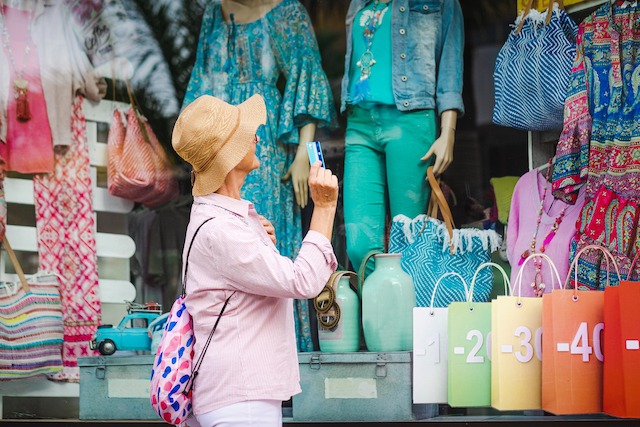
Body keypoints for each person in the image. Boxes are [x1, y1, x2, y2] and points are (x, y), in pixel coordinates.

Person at [171, 93, 339, 427]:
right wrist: (324, 208)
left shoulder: (227, 221)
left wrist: (260, 241)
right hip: (240, 401)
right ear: (229, 155)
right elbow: (302, 281)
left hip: (241, 396)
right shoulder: (221, 230)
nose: (256, 137)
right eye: (247, 134)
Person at [182, 0, 337, 351]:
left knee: (268, 236)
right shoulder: (213, 13)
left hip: (259, 139)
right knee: (230, 239)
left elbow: (305, 69)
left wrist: (303, 148)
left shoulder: (286, 10)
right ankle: (241, 345)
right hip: (218, 135)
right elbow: (202, 80)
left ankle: (285, 349)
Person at [340, 0, 464, 274]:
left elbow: (450, 65)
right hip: (360, 124)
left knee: (409, 239)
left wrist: (448, 131)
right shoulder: (359, 3)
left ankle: (409, 315)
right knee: (360, 246)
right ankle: (379, 312)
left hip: (410, 121)